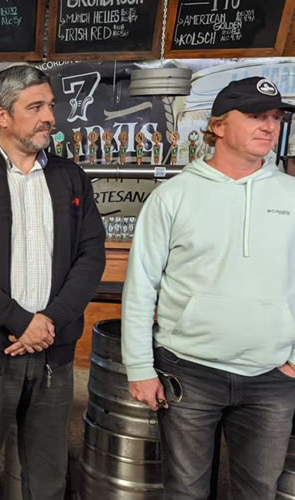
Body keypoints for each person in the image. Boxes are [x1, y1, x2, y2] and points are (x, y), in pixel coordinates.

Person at [122, 76, 295, 499]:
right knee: (185, 491)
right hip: (189, 370)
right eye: (254, 115)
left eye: (275, 117)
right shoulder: (173, 196)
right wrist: (140, 367)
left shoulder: (291, 195)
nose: (269, 126)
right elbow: (141, 285)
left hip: (271, 376)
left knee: (258, 491)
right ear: (218, 126)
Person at [0, 65, 106, 499]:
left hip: (54, 353)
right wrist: (18, 320)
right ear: (3, 116)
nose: (49, 116)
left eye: (50, 105)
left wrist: (50, 320)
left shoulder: (71, 178)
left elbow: (91, 255)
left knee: (47, 479)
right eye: (35, 107)